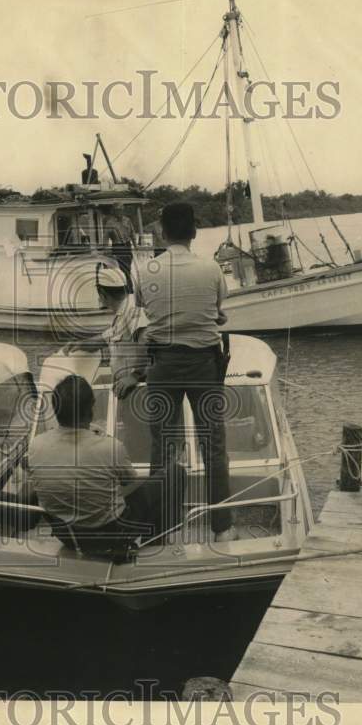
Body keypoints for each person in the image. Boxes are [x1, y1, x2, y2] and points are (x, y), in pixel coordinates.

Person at [135, 202, 234, 542]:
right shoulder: (211, 268)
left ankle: (161, 529)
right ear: (193, 232)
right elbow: (218, 312)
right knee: (214, 445)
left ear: (162, 233)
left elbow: (144, 311)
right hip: (205, 365)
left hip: (162, 365)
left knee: (162, 447)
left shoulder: (144, 270)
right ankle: (221, 528)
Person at [28, 374, 186, 558]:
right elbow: (130, 482)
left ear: (55, 409)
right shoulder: (110, 447)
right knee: (176, 472)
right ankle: (158, 541)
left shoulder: (36, 445)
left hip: (68, 537)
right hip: (111, 534)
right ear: (92, 409)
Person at [66, 266, 148, 399]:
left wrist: (135, 375)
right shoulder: (122, 313)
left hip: (136, 389)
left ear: (102, 294)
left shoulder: (131, 309)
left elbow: (145, 338)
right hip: (126, 389)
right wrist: (78, 345)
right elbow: (105, 338)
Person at [99, 205, 135, 289]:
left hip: (127, 245)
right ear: (114, 212)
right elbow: (106, 236)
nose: (119, 212)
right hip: (117, 246)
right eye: (117, 210)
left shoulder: (127, 220)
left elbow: (132, 232)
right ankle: (128, 287)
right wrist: (104, 248)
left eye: (121, 210)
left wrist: (135, 245)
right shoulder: (110, 222)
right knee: (122, 267)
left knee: (128, 267)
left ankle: (128, 285)